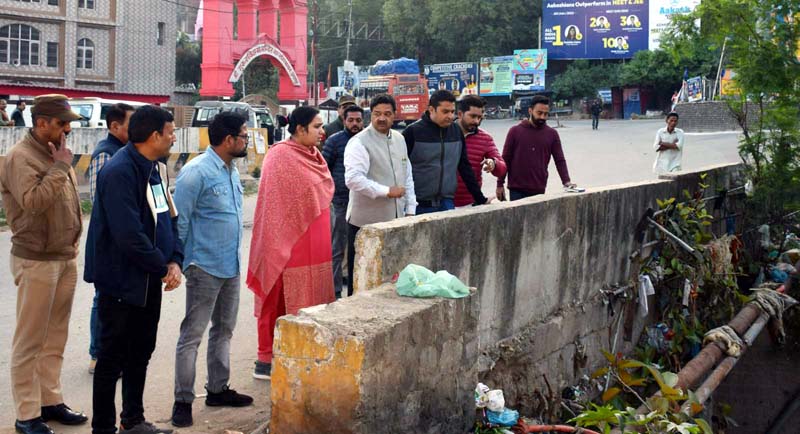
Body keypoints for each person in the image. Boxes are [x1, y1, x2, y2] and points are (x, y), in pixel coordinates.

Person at [84, 105, 183, 434]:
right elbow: (128, 235)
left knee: (141, 351)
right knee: (111, 358)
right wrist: (162, 267)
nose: (173, 138)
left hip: (148, 279)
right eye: (170, 132)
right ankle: (103, 427)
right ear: (154, 136)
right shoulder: (119, 171)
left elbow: (169, 218)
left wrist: (175, 259)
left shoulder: (155, 168)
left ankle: (133, 420)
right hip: (121, 281)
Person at [0, 94, 87, 434]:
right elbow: (33, 202)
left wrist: (59, 164)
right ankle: (27, 413)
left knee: (55, 338)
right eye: (62, 123)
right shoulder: (20, 157)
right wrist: (61, 166)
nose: (68, 129)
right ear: (41, 123)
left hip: (64, 257)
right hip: (36, 260)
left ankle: (50, 401)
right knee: (30, 341)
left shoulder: (55, 152)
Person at [171, 111, 253, 428]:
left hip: (230, 265)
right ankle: (182, 401)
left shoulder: (230, 170)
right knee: (192, 335)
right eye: (244, 136)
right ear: (229, 140)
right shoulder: (196, 173)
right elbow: (180, 223)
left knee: (224, 331)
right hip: (203, 267)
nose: (247, 140)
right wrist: (180, 263)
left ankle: (218, 389)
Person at [247, 106, 335, 380]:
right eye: (317, 126)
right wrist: (279, 240)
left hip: (316, 244)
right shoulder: (279, 156)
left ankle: (307, 353)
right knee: (277, 298)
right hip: (286, 243)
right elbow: (273, 205)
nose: (322, 132)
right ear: (299, 129)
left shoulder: (315, 155)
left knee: (314, 297)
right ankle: (266, 359)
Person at [344, 94, 416, 296]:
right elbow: (353, 179)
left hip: (395, 221)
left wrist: (410, 209)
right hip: (364, 224)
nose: (382, 118)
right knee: (361, 281)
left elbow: (407, 175)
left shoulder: (400, 139)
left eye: (387, 114)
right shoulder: (359, 142)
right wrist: (386, 191)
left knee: (390, 278)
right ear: (371, 115)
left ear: (395, 115)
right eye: (377, 114)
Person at [87, 102, 135, 374]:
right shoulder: (106, 155)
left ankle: (117, 354)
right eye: (131, 125)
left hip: (124, 244)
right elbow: (100, 204)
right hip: (108, 243)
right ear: (115, 126)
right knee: (103, 299)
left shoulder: (128, 153)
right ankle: (98, 354)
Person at [402, 90, 488, 214]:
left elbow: (464, 167)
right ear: (431, 109)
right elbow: (401, 169)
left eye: (452, 112)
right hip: (418, 204)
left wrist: (480, 199)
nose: (450, 116)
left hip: (447, 203)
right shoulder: (412, 132)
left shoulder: (456, 132)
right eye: (445, 112)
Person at [497, 95, 577, 201]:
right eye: (539, 113)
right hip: (517, 189)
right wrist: (500, 184)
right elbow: (505, 159)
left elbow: (559, 160)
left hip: (539, 189)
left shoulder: (552, 134)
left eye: (546, 114)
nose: (542, 117)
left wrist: (566, 181)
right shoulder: (515, 131)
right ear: (530, 111)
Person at [322, 105, 364, 299]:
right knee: (337, 249)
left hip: (363, 202)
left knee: (360, 249)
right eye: (351, 120)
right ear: (344, 120)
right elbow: (323, 170)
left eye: (358, 120)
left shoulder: (366, 141)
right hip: (340, 202)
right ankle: (335, 292)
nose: (355, 124)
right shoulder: (334, 141)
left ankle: (357, 292)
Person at [453, 95, 506, 208]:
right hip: (443, 202)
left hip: (470, 203)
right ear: (460, 114)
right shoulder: (445, 133)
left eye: (480, 117)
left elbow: (502, 168)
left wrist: (493, 163)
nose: (476, 121)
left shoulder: (485, 138)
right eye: (472, 116)